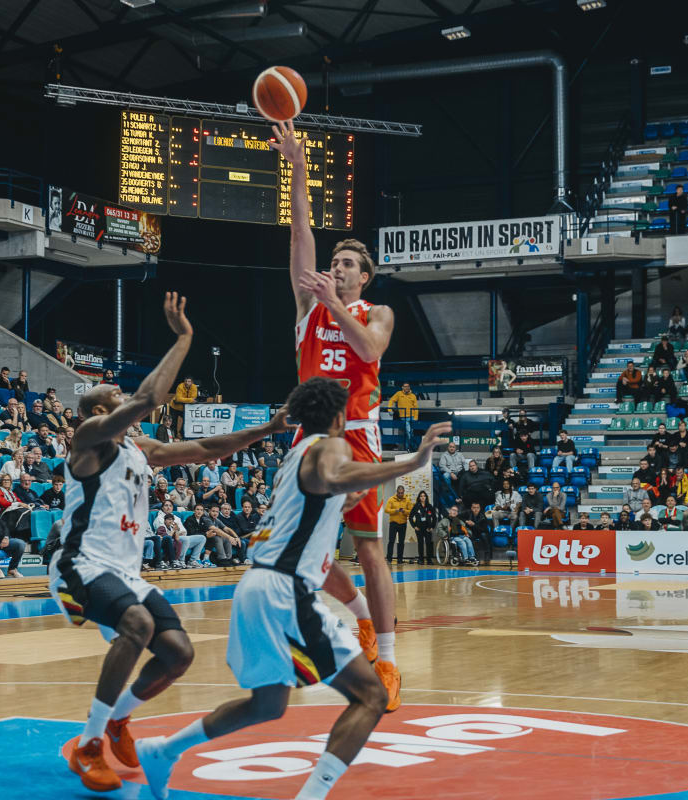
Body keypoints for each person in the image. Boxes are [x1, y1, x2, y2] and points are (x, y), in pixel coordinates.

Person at [134, 378, 450, 800]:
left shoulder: (296, 454)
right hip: (285, 589)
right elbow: (333, 475)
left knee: (267, 704)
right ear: (339, 416)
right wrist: (411, 463)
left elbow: (320, 492)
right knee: (370, 696)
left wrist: (341, 497)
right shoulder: (331, 446)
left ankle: (163, 750)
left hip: (255, 587)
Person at [53, 293, 294, 792]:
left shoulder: (139, 448)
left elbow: (205, 447)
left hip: (123, 572)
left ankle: (119, 718)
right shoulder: (90, 437)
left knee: (178, 654)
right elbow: (147, 400)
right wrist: (184, 337)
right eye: (113, 392)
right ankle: (90, 745)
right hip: (81, 563)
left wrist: (266, 429)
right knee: (138, 625)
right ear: (99, 409)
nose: (121, 392)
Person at [274, 119, 403, 712]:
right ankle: (361, 618)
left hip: (358, 438)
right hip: (309, 440)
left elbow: (370, 351)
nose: (339, 267)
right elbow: (299, 231)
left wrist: (337, 304)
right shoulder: (309, 304)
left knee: (369, 550)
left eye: (348, 263)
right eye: (335, 261)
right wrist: (298, 169)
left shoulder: (378, 312)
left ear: (364, 276)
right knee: (300, 548)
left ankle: (389, 661)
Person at [383, 484, 413, 564]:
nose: (400, 494)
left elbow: (411, 511)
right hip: (393, 523)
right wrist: (395, 510)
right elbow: (386, 510)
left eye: (402, 493)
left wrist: (404, 511)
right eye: (399, 493)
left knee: (401, 542)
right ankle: (389, 559)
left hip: (403, 523)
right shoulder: (391, 499)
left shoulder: (407, 500)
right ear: (396, 492)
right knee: (391, 541)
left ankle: (400, 559)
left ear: (404, 492)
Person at [408, 490, 437, 565]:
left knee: (428, 544)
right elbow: (410, 517)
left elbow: (434, 517)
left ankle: (429, 560)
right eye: (421, 496)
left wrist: (432, 527)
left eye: (424, 496)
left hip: (428, 528)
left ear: (426, 497)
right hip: (419, 528)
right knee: (420, 544)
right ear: (419, 498)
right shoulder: (416, 506)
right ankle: (421, 559)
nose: (423, 497)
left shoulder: (429, 506)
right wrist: (414, 526)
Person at [387, 381, 418, 450]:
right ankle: (412, 447)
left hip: (411, 417)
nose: (407, 388)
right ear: (402, 387)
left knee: (409, 433)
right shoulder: (399, 394)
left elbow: (416, 408)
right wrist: (389, 410)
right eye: (405, 386)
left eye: (408, 386)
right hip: (403, 417)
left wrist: (415, 418)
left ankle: (409, 448)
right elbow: (391, 400)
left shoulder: (413, 396)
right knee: (408, 432)